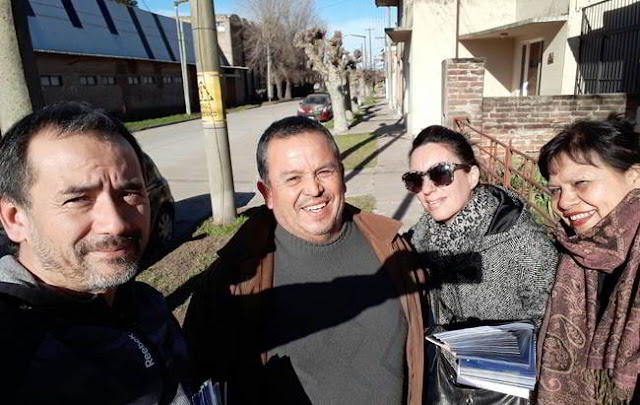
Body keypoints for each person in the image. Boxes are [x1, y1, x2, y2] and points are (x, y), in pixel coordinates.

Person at [183, 116, 425, 405]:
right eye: (293, 178)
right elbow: (197, 382)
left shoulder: (392, 248)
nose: (313, 189)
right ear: (268, 193)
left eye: (324, 171)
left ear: (342, 175)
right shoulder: (231, 282)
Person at [0, 102, 191, 404]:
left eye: (129, 193)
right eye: (78, 199)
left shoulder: (144, 303)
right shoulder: (14, 343)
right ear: (15, 218)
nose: (116, 223)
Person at [403, 125, 557, 404]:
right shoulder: (421, 238)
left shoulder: (522, 242)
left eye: (440, 174)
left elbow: (551, 331)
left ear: (472, 175)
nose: (427, 189)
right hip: (445, 384)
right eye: (415, 180)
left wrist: (480, 347)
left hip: (504, 392)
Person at [536, 116, 640, 404]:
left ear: (635, 177)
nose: (564, 202)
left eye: (580, 182)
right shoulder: (575, 252)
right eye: (555, 190)